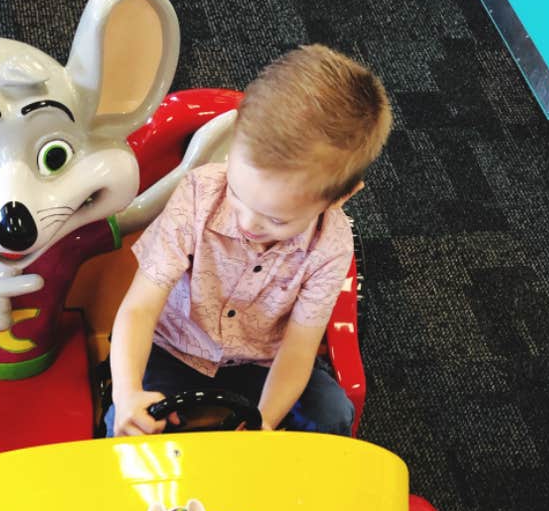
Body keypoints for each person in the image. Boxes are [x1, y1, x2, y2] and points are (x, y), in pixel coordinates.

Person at [106, 44, 392, 437]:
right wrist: (127, 394)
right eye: (238, 193)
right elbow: (139, 307)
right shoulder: (198, 195)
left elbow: (298, 349)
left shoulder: (332, 244)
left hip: (263, 363)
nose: (248, 222)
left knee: (332, 414)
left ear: (340, 197)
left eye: (276, 218)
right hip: (176, 351)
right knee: (124, 431)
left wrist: (265, 421)